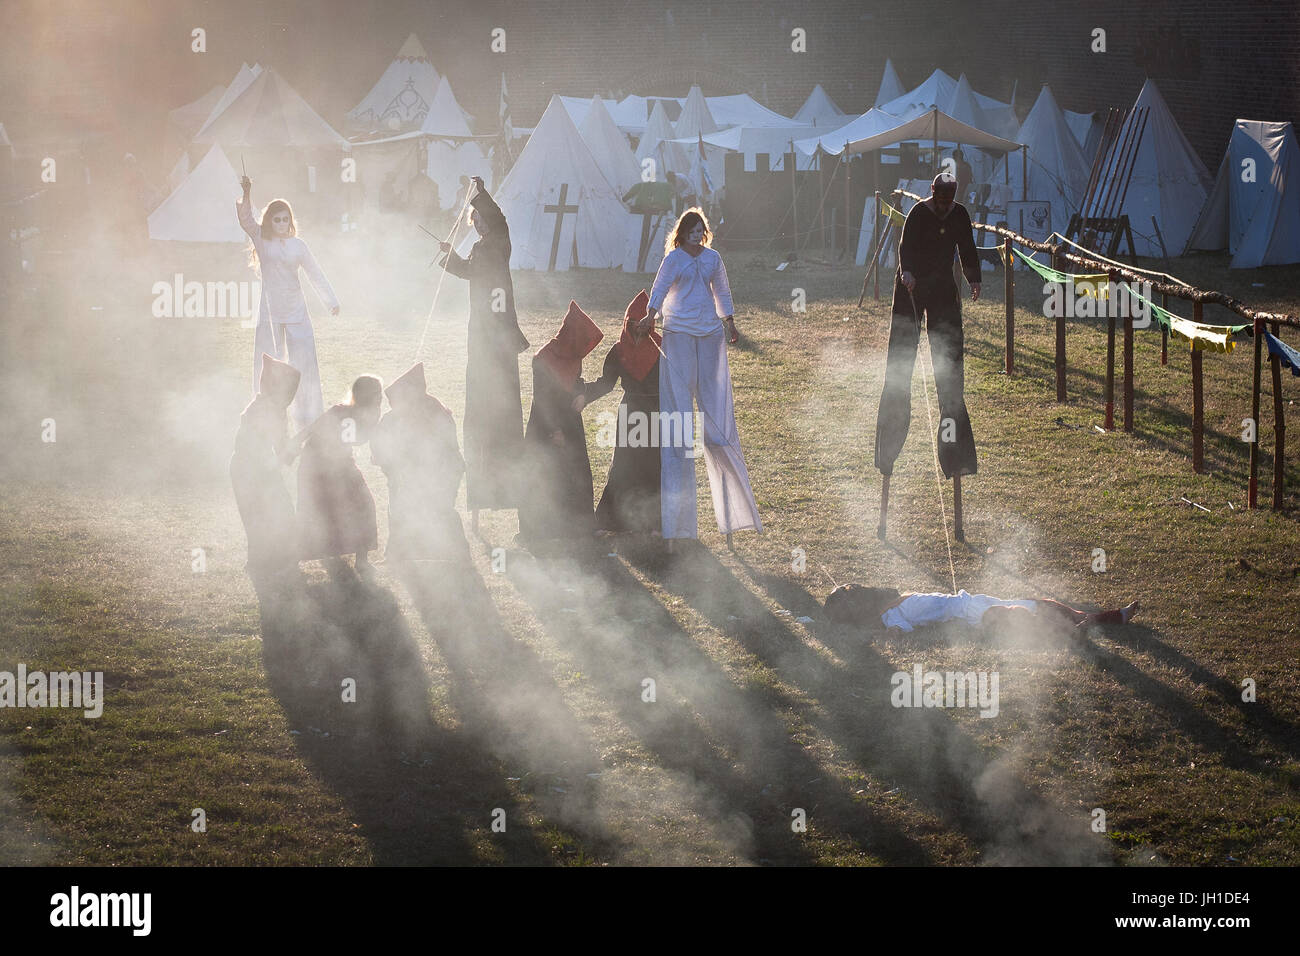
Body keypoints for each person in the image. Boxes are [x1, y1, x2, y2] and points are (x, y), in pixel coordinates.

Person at [638, 208, 761, 544]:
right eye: (690, 229)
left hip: (709, 334)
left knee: (717, 423)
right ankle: (678, 526)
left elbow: (722, 291)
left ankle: (736, 514)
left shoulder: (712, 259)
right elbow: (659, 288)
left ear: (704, 232)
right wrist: (650, 315)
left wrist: (730, 321)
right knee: (678, 421)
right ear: (682, 232)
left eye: (699, 229)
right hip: (677, 333)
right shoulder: (674, 260)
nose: (695, 234)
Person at [875, 174, 981, 483]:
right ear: (933, 194)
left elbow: (967, 247)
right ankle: (889, 442)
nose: (945, 206)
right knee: (901, 357)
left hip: (942, 288)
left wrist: (973, 276)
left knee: (949, 363)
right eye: (941, 200)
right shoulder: (919, 213)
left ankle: (954, 449)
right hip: (912, 286)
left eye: (949, 200)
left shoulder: (959, 214)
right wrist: (906, 272)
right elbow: (905, 248)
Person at [438, 176, 529, 527]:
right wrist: (450, 258)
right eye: (474, 220)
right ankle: (482, 491)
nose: (476, 223)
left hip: (500, 339)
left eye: (480, 219)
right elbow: (468, 272)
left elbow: (500, 219)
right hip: (480, 338)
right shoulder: (481, 248)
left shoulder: (500, 241)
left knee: (503, 407)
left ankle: (509, 488)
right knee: (479, 409)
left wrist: (478, 194)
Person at [237, 177, 339, 432]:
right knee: (268, 362)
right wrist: (247, 193)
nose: (282, 224)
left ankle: (309, 414)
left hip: (296, 310)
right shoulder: (261, 238)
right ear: (270, 220)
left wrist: (331, 301)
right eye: (277, 219)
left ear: (291, 221)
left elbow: (315, 273)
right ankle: (264, 412)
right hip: (270, 310)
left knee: (304, 362)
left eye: (285, 219)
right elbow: (246, 221)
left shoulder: (299, 245)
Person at [517, 301, 604, 548]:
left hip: (570, 422)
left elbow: (575, 382)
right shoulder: (543, 358)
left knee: (576, 473)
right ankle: (542, 528)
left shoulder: (572, 355)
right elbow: (543, 398)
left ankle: (579, 526)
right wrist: (555, 431)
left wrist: (581, 393)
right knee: (546, 475)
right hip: (546, 425)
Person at [575, 290, 662, 535]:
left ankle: (655, 522)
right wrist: (584, 395)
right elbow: (605, 383)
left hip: (657, 414)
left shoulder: (662, 348)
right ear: (627, 323)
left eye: (643, 325)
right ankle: (612, 521)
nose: (638, 331)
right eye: (633, 325)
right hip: (631, 412)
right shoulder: (618, 350)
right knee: (625, 465)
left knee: (654, 467)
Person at [370, 362, 470, 563]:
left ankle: (459, 555)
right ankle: (398, 554)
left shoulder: (435, 412)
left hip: (442, 471)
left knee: (441, 510)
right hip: (408, 474)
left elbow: (439, 450)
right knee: (399, 510)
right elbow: (380, 441)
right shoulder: (396, 416)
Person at [289, 375, 382, 577]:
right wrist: (293, 443)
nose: (380, 398)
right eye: (377, 394)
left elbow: (361, 440)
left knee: (362, 505)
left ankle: (362, 561)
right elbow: (317, 430)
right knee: (317, 511)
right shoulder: (343, 412)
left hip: (339, 465)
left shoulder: (365, 415)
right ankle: (295, 557)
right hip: (318, 466)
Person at [230, 353, 301, 580]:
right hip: (255, 470)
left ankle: (259, 561)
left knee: (255, 515)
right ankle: (280, 561)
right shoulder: (272, 410)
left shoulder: (260, 402)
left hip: (243, 467)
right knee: (280, 512)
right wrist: (301, 444)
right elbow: (282, 450)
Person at [824, 584, 1140, 635]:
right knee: (1019, 615)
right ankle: (1071, 634)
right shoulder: (888, 617)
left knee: (1043, 605)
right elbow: (898, 633)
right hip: (967, 613)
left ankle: (1111, 617)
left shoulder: (894, 602)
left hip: (973, 599)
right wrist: (879, 633)